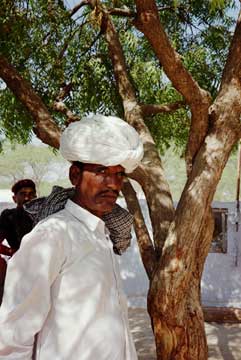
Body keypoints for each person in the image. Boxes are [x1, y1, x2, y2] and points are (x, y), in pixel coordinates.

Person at [0, 114, 144, 360]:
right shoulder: (51, 235)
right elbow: (13, 334)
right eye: (101, 171)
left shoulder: (102, 235)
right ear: (75, 175)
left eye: (119, 174)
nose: (112, 184)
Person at [0, 179, 36, 301]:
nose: (27, 198)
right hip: (18, 268)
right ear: (14, 198)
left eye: (31, 194)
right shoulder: (8, 216)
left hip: (41, 266)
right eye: (23, 194)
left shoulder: (44, 216)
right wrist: (12, 252)